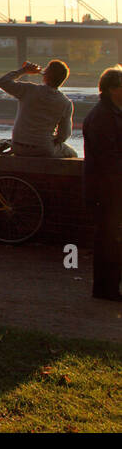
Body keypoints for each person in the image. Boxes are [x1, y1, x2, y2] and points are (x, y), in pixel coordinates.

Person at [82, 66, 122, 301]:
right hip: (106, 189)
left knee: (111, 237)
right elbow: (109, 158)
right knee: (108, 238)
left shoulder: (109, 113)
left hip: (108, 186)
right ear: (112, 89)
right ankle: (105, 289)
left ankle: (108, 287)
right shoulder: (103, 117)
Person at [0, 60, 77, 158]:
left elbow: (2, 82)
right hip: (43, 148)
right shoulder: (65, 103)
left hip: (17, 146)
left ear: (45, 76)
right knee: (73, 154)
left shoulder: (28, 90)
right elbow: (64, 135)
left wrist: (23, 70)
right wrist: (51, 141)